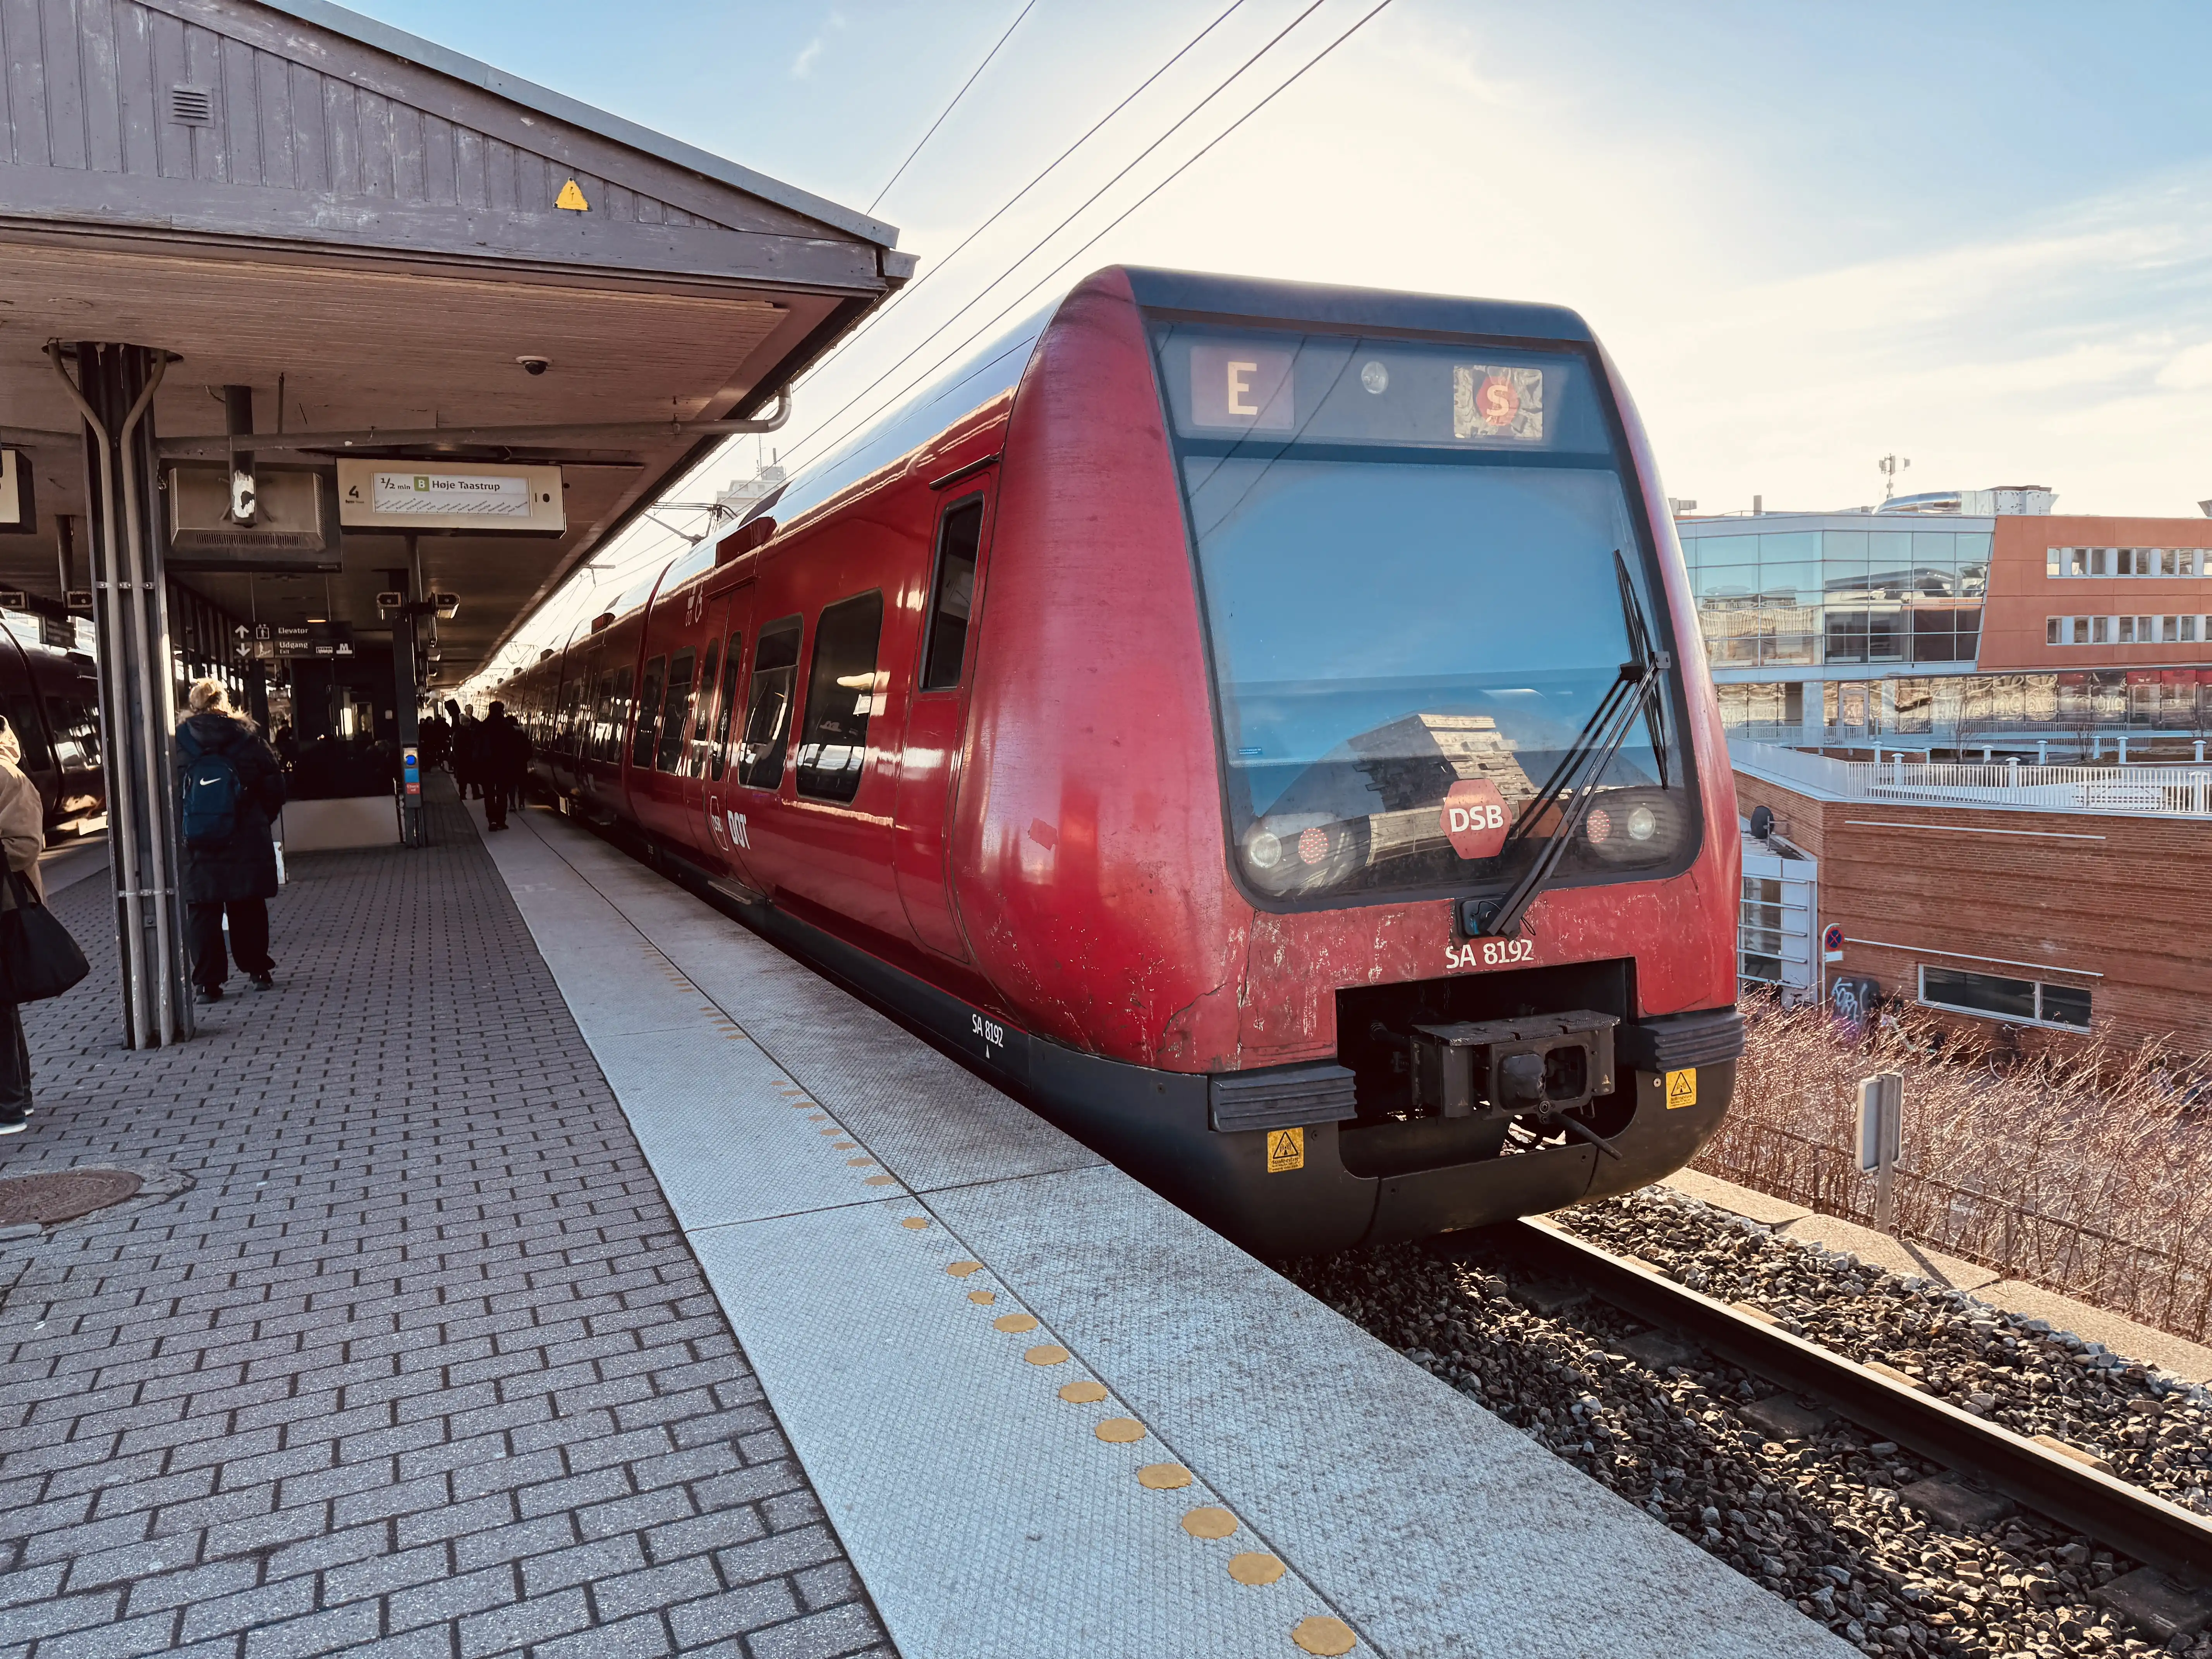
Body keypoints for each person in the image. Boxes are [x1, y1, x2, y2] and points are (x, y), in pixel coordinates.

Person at [176, 679, 285, 1003]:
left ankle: (207, 984)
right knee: (247, 904)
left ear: (193, 705)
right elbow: (275, 789)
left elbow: (165, 794)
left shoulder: (176, 743)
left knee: (203, 909)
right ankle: (257, 971)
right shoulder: (249, 740)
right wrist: (256, 821)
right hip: (244, 839)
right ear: (226, 703)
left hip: (196, 841)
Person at [0, 714, 44, 1133]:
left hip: (6, 909)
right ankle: (19, 1098)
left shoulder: (5, 776)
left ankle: (10, 1107)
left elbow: (26, 845)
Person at [479, 701, 528, 830]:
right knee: (502, 794)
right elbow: (515, 748)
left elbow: (477, 748)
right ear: (502, 711)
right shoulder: (508, 727)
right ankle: (501, 821)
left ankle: (492, 821)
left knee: (489, 795)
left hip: (487, 767)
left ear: (489, 711)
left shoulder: (483, 726)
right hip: (504, 767)